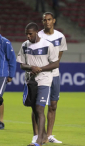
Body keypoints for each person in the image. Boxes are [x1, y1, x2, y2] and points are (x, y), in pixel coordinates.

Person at [17, 22, 59, 146]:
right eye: (26, 34)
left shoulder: (48, 45)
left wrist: (40, 69)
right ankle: (43, 135)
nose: (28, 36)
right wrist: (31, 67)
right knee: (35, 109)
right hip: (31, 81)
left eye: (30, 34)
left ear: (36, 32)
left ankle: (39, 141)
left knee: (40, 108)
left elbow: (55, 64)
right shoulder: (24, 45)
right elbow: (21, 64)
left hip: (45, 80)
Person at [31, 12, 67, 144]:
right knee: (38, 106)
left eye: (49, 19)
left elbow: (59, 56)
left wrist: (52, 66)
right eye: (44, 20)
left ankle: (49, 135)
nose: (47, 22)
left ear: (54, 21)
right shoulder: (38, 36)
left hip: (55, 74)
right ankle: (36, 135)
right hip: (41, 75)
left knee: (53, 105)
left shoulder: (60, 37)